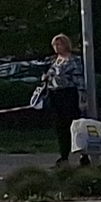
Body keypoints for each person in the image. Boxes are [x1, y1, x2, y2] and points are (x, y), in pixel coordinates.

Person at [36, 34, 86, 166]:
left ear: (66, 45)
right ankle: (64, 156)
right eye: (54, 45)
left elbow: (79, 80)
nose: (57, 48)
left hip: (69, 94)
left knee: (75, 125)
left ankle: (83, 154)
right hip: (55, 95)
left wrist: (82, 99)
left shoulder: (73, 60)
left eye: (59, 44)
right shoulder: (54, 61)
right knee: (60, 126)